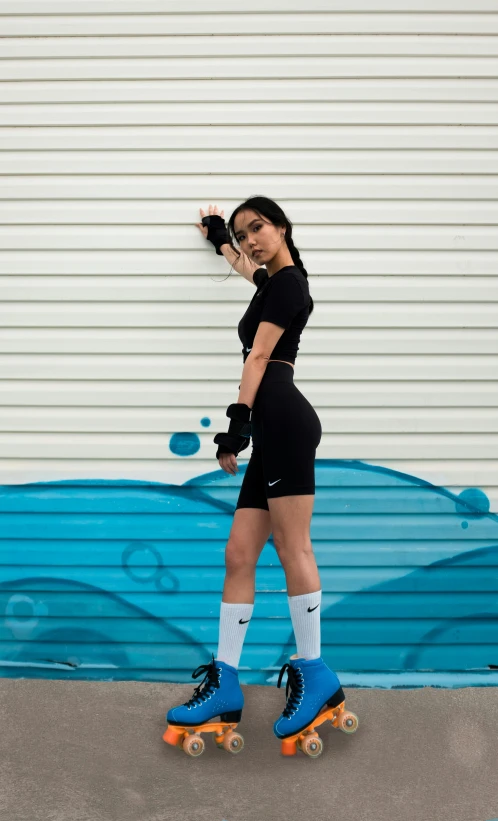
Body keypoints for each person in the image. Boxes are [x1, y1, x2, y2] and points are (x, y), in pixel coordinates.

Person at [165, 197, 345, 751]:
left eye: (258, 228)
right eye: (245, 234)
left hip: (282, 423)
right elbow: (246, 269)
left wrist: (236, 424)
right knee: (239, 554)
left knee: (294, 549)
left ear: (283, 226)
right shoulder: (272, 282)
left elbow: (258, 358)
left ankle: (316, 675)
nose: (251, 241)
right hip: (270, 430)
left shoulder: (288, 284)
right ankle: (224, 683)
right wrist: (220, 236)